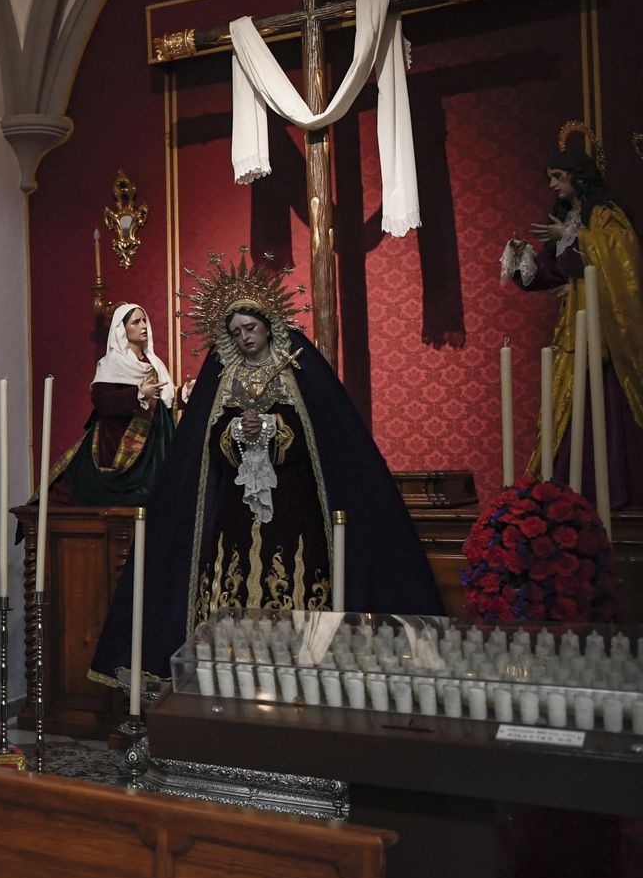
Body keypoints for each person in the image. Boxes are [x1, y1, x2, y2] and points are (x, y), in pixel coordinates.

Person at [89, 253, 442, 689]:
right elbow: (208, 440)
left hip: (295, 508)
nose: (244, 338)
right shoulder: (223, 369)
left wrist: (275, 429)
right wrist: (237, 431)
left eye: (250, 328)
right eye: (236, 332)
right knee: (229, 585)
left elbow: (323, 433)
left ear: (268, 323)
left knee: (296, 580)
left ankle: (304, 681)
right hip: (235, 512)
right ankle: (227, 679)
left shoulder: (297, 360)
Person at [502, 141, 643, 507]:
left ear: (578, 177)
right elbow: (555, 273)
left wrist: (569, 237)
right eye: (549, 178)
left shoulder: (604, 215)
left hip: (607, 336)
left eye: (557, 177)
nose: (552, 185)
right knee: (569, 411)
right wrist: (524, 259)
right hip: (574, 332)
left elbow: (621, 254)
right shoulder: (567, 219)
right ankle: (569, 496)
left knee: (610, 411)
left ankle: (616, 494)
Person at [44, 303, 177, 507]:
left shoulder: (154, 363)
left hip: (152, 447)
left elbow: (165, 398)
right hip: (118, 447)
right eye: (136, 322)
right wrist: (139, 394)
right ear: (122, 329)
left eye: (144, 321)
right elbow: (102, 401)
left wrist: (183, 395)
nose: (143, 326)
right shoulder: (110, 364)